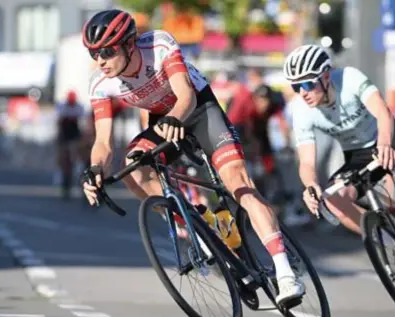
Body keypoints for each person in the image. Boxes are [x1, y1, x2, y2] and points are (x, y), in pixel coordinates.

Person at [80, 9, 304, 304]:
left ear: (129, 44)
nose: (100, 61)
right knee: (133, 167)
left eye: (107, 52)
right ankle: (198, 228)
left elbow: (186, 95)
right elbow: (104, 141)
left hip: (199, 110)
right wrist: (95, 168)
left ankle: (286, 274)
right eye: (94, 53)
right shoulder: (101, 84)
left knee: (239, 184)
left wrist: (175, 119)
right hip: (163, 121)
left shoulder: (158, 46)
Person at [283, 44, 395, 234]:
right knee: (333, 200)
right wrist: (310, 185)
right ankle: (384, 238)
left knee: (392, 198)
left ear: (326, 77)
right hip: (357, 154)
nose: (303, 92)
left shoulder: (349, 78)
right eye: (296, 86)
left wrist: (385, 142)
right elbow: (307, 162)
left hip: (385, 135)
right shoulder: (301, 111)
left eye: (308, 84)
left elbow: (383, 113)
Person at [55, 90, 86, 198]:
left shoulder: (79, 107)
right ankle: (65, 184)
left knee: (80, 158)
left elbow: (82, 124)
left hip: (75, 136)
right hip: (65, 136)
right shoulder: (62, 107)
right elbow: (59, 123)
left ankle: (82, 181)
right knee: (64, 160)